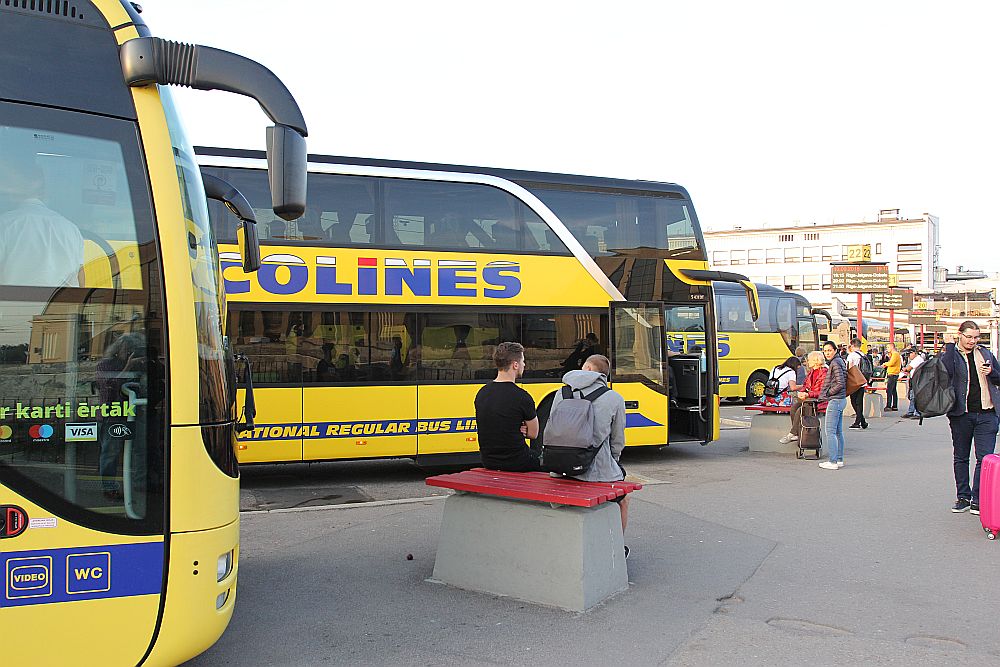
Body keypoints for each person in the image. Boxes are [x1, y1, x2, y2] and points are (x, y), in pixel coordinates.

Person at [549, 353, 630, 553]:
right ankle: (616, 550)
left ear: (586, 368)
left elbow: (551, 428)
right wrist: (613, 462)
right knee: (624, 498)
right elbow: (617, 441)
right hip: (596, 471)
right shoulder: (614, 397)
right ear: (604, 375)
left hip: (560, 468)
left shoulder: (561, 393)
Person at [939, 321, 1000, 514]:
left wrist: (992, 372)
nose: (973, 341)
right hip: (961, 414)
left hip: (987, 413)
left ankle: (978, 499)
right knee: (961, 457)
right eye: (969, 337)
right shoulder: (952, 355)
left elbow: (999, 378)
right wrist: (949, 346)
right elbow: (946, 372)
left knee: (985, 458)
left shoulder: (986, 354)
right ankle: (963, 497)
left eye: (976, 337)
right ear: (960, 335)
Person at [0, 158, 84, 287]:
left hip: (11, 305)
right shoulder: (71, 229)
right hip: (59, 306)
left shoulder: (5, 224)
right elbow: (79, 280)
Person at [474, 342, 541, 472]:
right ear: (515, 365)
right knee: (542, 460)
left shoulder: (482, 393)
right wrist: (521, 428)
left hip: (488, 461)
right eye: (523, 361)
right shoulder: (522, 397)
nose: (524, 365)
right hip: (518, 462)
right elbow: (534, 434)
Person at [97, 333, 146, 499]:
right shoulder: (105, 365)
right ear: (118, 349)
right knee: (111, 452)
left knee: (140, 449)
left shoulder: (139, 365)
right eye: (128, 349)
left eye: (135, 349)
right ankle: (109, 487)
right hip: (113, 414)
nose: (131, 352)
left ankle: (140, 483)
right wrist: (127, 367)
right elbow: (109, 387)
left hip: (135, 412)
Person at [782, 351, 829, 444]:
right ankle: (797, 432)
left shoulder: (824, 373)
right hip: (809, 399)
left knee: (801, 410)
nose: (807, 362)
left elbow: (822, 392)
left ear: (815, 361)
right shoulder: (811, 372)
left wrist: (808, 394)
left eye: (809, 360)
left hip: (819, 401)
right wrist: (802, 392)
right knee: (794, 407)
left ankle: (793, 433)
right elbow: (805, 386)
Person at [817, 340, 848, 470]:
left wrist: (829, 392)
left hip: (835, 400)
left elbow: (840, 383)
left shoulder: (834, 363)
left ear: (835, 350)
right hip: (841, 399)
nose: (827, 353)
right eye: (825, 351)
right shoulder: (840, 361)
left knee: (830, 431)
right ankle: (839, 459)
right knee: (838, 431)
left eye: (829, 350)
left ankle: (833, 461)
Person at [846, 338, 869, 430]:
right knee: (859, 402)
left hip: (854, 381)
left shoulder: (851, 355)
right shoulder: (863, 355)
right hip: (862, 380)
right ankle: (862, 421)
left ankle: (858, 421)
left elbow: (849, 367)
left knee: (854, 401)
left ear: (852, 345)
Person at [902, 347, 926, 418]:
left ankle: (917, 413)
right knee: (912, 396)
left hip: (917, 380)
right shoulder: (916, 359)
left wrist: (905, 369)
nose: (909, 356)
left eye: (910, 354)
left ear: (914, 353)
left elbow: (908, 368)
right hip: (914, 379)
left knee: (916, 396)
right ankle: (911, 411)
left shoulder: (918, 359)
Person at [884, 343, 902, 411]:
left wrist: (885, 364)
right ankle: (894, 406)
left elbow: (891, 363)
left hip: (892, 373)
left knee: (889, 390)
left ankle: (888, 405)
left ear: (892, 347)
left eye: (888, 347)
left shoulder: (895, 354)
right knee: (894, 390)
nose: (887, 349)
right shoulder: (895, 354)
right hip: (894, 373)